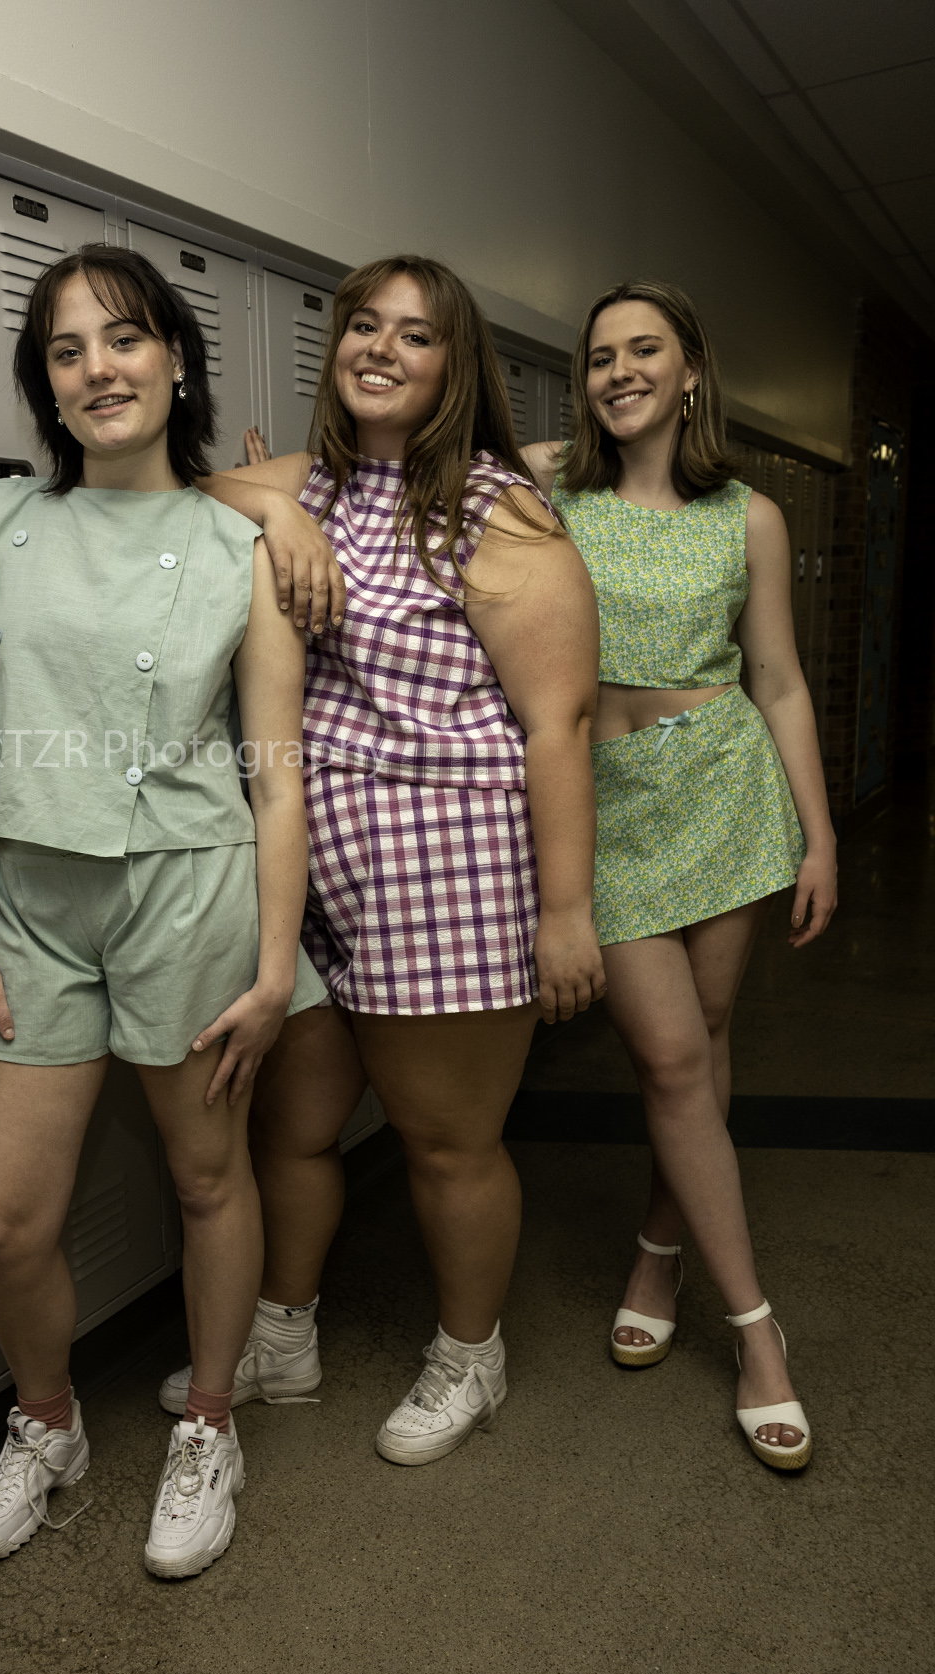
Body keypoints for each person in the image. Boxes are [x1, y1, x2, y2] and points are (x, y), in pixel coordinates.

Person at [161, 254, 606, 1464]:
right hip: (309, 873)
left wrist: (566, 913)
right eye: (365, 325)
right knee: (294, 1131)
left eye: (416, 336)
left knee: (444, 1141)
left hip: (444, 874)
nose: (381, 349)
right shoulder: (325, 483)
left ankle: (471, 1356)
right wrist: (285, 505)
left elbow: (559, 724)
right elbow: (186, 486)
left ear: (455, 366)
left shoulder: (498, 511)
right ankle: (284, 1336)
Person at [0, 243, 334, 1578]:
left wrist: (275, 968)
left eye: (123, 339)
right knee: (6, 1221)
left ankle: (209, 1423)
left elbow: (277, 781)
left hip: (189, 893)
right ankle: (48, 1425)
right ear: (44, 387)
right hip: (29, 907)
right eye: (65, 350)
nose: (97, 367)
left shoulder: (241, 542)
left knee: (207, 1180)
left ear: (175, 360)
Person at [521, 279, 836, 1470]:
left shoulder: (748, 515)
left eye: (644, 349)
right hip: (600, 808)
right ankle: (758, 1334)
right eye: (600, 355)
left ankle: (659, 1245)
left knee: (700, 1037)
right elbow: (415, 453)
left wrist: (821, 834)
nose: (619, 371)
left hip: (722, 788)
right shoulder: (553, 481)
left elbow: (782, 682)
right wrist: (276, 495)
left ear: (692, 368)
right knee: (668, 1056)